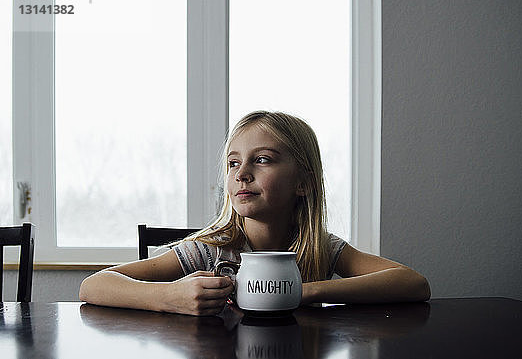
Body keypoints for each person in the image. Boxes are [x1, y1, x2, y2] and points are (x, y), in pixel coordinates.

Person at [79, 111, 430, 316]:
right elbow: (94, 286)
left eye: (262, 159)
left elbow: (414, 283)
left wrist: (307, 291)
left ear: (303, 184)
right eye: (233, 163)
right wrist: (168, 297)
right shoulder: (209, 251)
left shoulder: (318, 249)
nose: (241, 173)